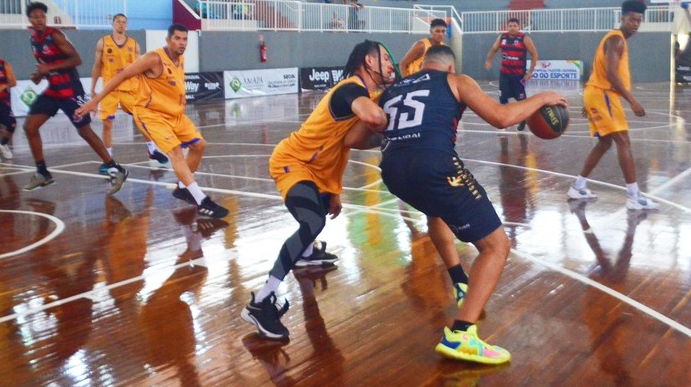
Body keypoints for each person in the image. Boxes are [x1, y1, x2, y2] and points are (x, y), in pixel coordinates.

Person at [379, 45, 568, 364]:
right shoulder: (456, 81)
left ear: (424, 65)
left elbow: (357, 139)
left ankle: (461, 283)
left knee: (434, 212)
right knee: (496, 245)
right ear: (449, 68)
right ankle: (462, 335)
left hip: (393, 172)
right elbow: (502, 118)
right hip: (435, 165)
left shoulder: (393, 89)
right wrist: (542, 98)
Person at [241, 41, 396, 340]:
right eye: (386, 58)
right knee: (312, 222)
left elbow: (350, 142)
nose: (391, 64)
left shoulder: (360, 97)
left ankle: (306, 254)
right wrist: (398, 128)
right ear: (369, 61)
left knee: (320, 211)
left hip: (317, 171)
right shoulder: (349, 90)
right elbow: (376, 119)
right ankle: (261, 302)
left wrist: (335, 190)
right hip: (292, 161)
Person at [76, 24, 228, 219]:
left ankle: (183, 188)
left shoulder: (179, 58)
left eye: (185, 39)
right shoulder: (153, 59)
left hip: (175, 114)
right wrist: (94, 100)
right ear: (168, 40)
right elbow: (121, 75)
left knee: (199, 145)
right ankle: (202, 200)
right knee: (175, 152)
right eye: (177, 38)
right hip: (151, 114)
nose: (182, 43)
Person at [21, 2, 128, 192]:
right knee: (29, 126)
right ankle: (42, 173)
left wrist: (49, 68)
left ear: (45, 18)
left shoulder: (54, 35)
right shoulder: (33, 41)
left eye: (41, 16)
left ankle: (115, 168)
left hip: (70, 91)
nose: (38, 19)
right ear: (29, 19)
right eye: (34, 17)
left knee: (84, 131)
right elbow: (47, 66)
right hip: (54, 90)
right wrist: (40, 75)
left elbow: (76, 59)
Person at [568, 0, 658, 210]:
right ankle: (634, 197)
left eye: (639, 20)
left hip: (597, 94)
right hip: (603, 94)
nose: (635, 24)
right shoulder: (616, 40)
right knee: (623, 142)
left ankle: (578, 187)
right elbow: (609, 73)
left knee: (605, 142)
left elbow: (598, 70)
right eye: (632, 19)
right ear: (622, 18)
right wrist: (632, 101)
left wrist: (590, 100)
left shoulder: (614, 39)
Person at [90, 14, 169, 174]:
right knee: (107, 124)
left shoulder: (134, 44)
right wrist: (92, 88)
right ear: (112, 24)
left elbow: (141, 68)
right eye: (118, 22)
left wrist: (146, 87)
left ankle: (152, 151)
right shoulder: (103, 42)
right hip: (110, 89)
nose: (121, 24)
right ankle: (109, 159)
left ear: (127, 26)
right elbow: (97, 66)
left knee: (143, 119)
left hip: (130, 88)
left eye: (124, 22)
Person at [484, 17, 538, 131]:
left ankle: (523, 119)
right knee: (503, 99)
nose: (512, 28)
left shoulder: (524, 38)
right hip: (504, 74)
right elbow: (493, 49)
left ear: (519, 27)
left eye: (515, 26)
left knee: (521, 100)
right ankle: (504, 120)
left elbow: (534, 54)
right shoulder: (502, 37)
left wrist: (530, 71)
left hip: (519, 76)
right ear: (507, 27)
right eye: (510, 26)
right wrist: (489, 60)